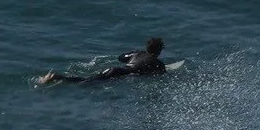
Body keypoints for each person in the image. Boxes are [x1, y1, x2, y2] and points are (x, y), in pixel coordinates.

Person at [36, 37, 170, 86]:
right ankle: (56, 77)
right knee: (86, 83)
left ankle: (58, 78)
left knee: (86, 79)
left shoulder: (137, 53)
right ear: (159, 51)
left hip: (114, 68)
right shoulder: (157, 63)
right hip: (119, 74)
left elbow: (121, 58)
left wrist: (134, 53)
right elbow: (159, 75)